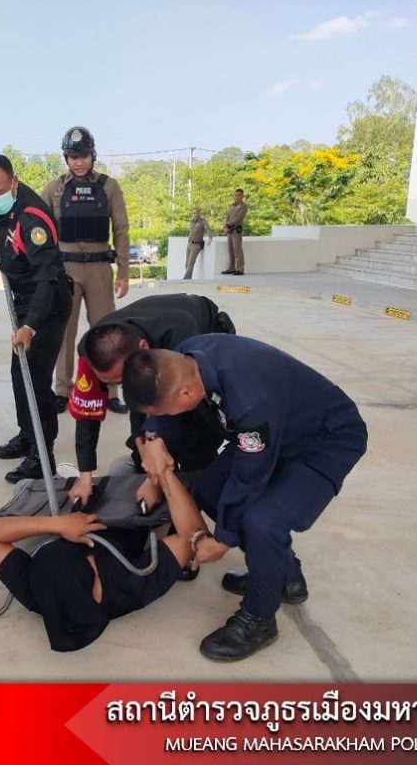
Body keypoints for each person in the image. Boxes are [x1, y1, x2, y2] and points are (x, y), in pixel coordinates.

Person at [122, 337, 367, 661]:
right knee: (210, 490)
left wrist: (222, 540)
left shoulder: (249, 399)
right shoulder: (182, 358)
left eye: (167, 410)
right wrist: (152, 441)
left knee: (262, 521)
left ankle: (259, 619)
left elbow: (249, 478)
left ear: (186, 394)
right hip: (277, 426)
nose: (166, 416)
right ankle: (285, 577)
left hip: (324, 439)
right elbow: (160, 412)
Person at [0, 465, 209, 652]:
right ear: (95, 581)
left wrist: (58, 525)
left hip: (78, 507)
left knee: (24, 486)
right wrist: (160, 477)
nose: (87, 549)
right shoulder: (131, 587)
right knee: (125, 466)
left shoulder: (39, 592)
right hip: (129, 508)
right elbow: (193, 537)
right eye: (86, 556)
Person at [67, 294, 235, 510]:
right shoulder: (91, 353)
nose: (123, 388)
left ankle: (195, 494)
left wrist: (155, 478)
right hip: (154, 338)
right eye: (115, 383)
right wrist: (85, 477)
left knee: (194, 433)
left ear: (144, 347)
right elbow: (87, 413)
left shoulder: (182, 342)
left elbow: (168, 414)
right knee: (145, 436)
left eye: (122, 380)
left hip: (203, 326)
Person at [0, 154, 71, 483]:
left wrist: (30, 326)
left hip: (46, 307)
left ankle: (43, 456)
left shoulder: (33, 220)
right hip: (25, 302)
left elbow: (48, 280)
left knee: (36, 381)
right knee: (21, 375)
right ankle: (28, 437)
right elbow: (0, 218)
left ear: (13, 182)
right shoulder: (9, 205)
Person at [40, 127, 131, 415]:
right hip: (65, 269)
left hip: (99, 268)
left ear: (93, 155)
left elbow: (121, 229)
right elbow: (38, 228)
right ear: (66, 158)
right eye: (73, 157)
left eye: (84, 156)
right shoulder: (54, 189)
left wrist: (124, 272)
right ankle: (62, 390)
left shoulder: (109, 186)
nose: (79, 162)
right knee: (64, 331)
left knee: (106, 332)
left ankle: (110, 389)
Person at [222, 189, 248, 275]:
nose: (236, 197)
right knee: (230, 250)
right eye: (235, 195)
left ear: (242, 196)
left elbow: (239, 218)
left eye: (239, 195)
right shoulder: (231, 206)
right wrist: (225, 226)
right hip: (229, 230)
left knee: (237, 250)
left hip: (236, 230)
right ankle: (231, 268)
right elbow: (227, 216)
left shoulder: (243, 206)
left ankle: (240, 269)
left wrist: (228, 224)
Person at [184, 207, 213, 280]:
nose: (195, 214)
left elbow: (208, 229)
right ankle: (188, 277)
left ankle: (186, 279)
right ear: (192, 214)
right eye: (194, 213)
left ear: (199, 213)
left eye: (197, 213)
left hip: (196, 245)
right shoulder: (192, 222)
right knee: (187, 262)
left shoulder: (203, 221)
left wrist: (210, 237)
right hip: (189, 244)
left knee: (191, 263)